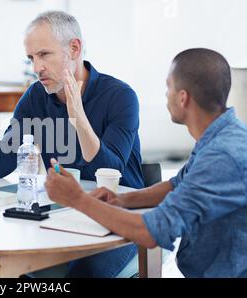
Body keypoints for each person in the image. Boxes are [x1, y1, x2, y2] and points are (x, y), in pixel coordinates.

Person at [0, 11, 143, 277]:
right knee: (0, 265)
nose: (36, 68)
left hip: (120, 216)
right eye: (31, 58)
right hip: (63, 213)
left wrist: (79, 118)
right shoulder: (36, 97)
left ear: (74, 48)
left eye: (44, 55)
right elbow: (1, 162)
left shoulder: (120, 96)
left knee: (84, 272)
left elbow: (108, 172)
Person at [44, 48, 247, 278]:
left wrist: (77, 199)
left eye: (168, 87)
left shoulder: (223, 156)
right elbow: (176, 185)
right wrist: (121, 199)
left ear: (183, 98)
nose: (166, 95)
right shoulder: (222, 135)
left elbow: (151, 232)